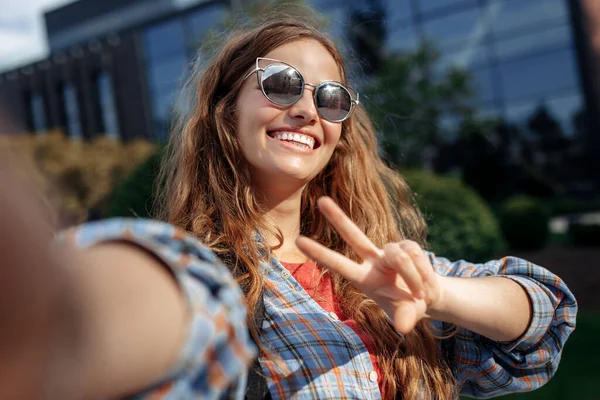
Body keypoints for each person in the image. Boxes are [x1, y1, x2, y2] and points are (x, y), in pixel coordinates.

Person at [0, 17, 577, 400]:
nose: (306, 108)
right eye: (280, 83)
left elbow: (545, 313)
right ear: (226, 110)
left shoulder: (382, 270)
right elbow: (99, 318)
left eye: (331, 97)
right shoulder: (205, 277)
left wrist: (438, 297)